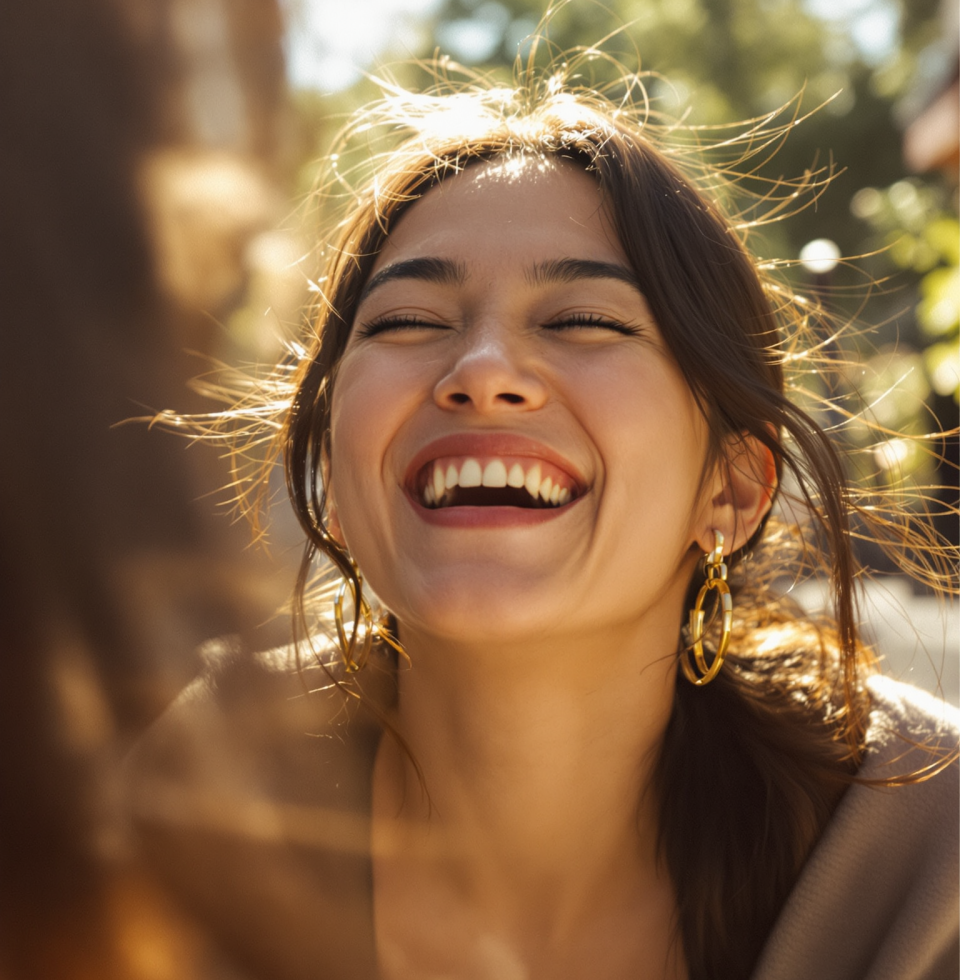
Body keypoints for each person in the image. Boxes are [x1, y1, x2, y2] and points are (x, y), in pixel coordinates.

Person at [125, 50, 960, 980]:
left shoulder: (929, 858)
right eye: (407, 322)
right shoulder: (178, 813)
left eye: (583, 322)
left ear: (730, 490)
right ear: (334, 459)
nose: (481, 371)